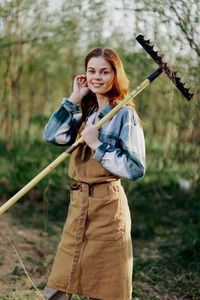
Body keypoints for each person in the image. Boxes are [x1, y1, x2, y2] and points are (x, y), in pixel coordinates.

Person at [43, 47, 146, 300]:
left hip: (108, 209)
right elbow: (52, 135)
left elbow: (135, 168)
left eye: (104, 71)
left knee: (106, 288)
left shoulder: (124, 114)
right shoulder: (85, 114)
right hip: (79, 204)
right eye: (91, 71)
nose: (97, 77)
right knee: (60, 283)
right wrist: (74, 98)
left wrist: (98, 145)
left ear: (115, 75)